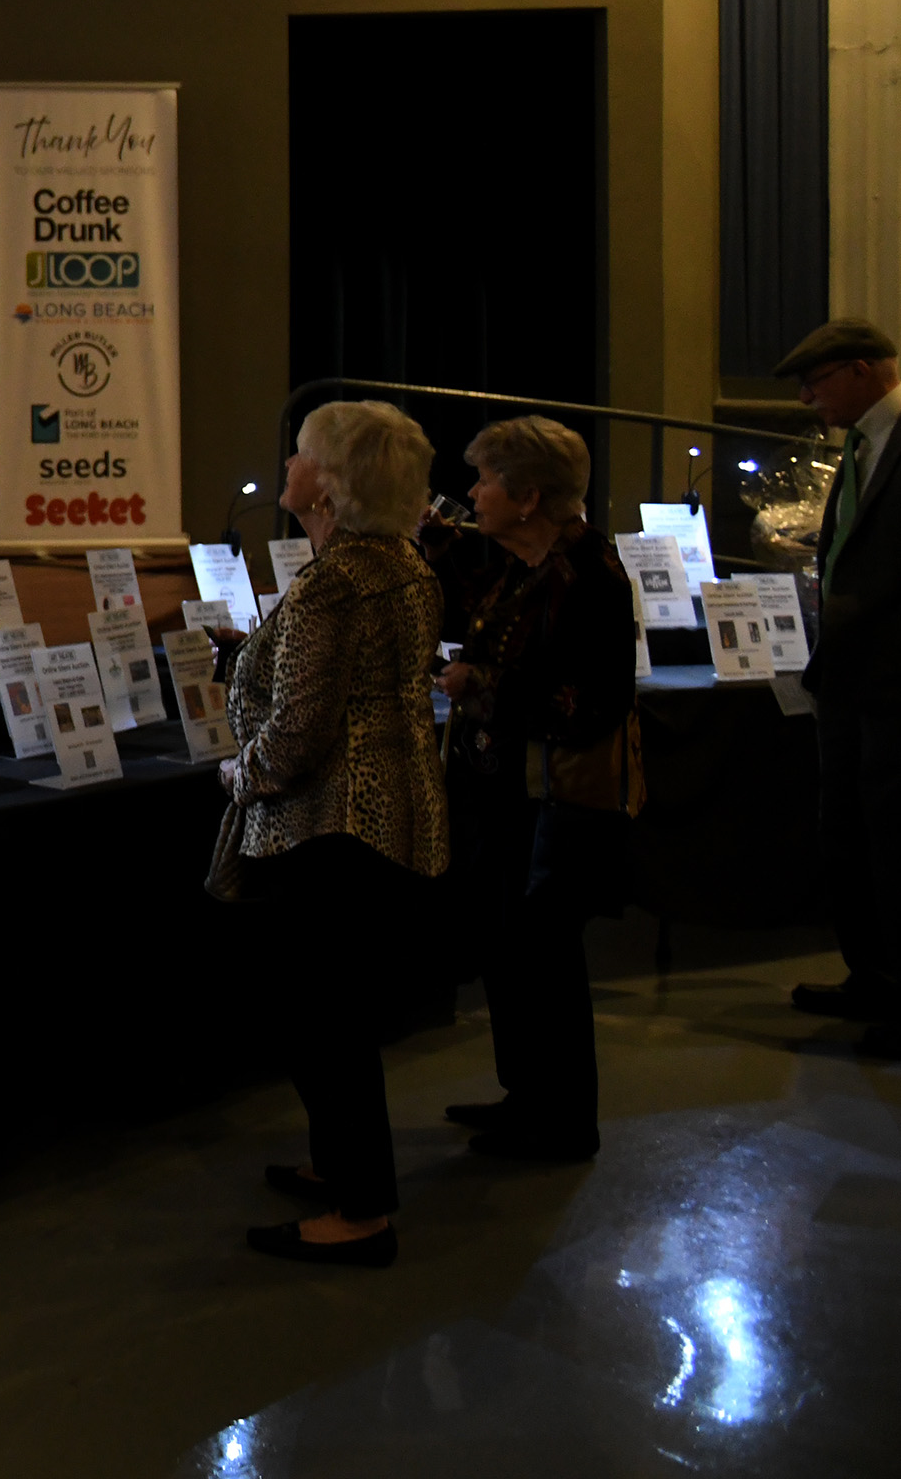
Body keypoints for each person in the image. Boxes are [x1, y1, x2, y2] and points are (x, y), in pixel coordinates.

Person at [211, 399, 448, 1267]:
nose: (287, 466)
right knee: (335, 1012)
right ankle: (338, 1166)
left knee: (327, 1022)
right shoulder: (403, 565)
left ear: (332, 485)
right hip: (388, 820)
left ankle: (361, 1212)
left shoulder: (335, 581)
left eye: (302, 454)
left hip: (331, 828)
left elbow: (303, 731)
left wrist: (241, 774)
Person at [419, 416, 641, 1158]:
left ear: (528, 497)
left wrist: (480, 686)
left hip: (551, 803)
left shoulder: (588, 576)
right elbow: (481, 609)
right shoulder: (528, 562)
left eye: (485, 481)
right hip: (506, 794)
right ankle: (527, 1097)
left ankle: (565, 1123)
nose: (473, 493)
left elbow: (590, 703)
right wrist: (436, 546)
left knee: (546, 960)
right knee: (509, 950)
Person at [782, 319, 901, 1059]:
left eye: (815, 382)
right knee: (849, 831)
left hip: (895, 680)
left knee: (895, 838)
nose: (806, 398)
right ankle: (874, 977)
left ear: (861, 371)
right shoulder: (859, 446)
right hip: (848, 675)